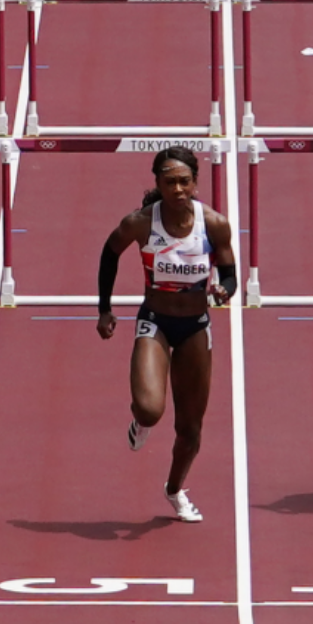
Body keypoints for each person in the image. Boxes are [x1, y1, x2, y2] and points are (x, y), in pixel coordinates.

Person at [96, 146, 237, 523]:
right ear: (158, 182)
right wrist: (104, 309)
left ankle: (175, 491)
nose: (178, 189)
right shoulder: (140, 223)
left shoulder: (215, 224)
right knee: (150, 409)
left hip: (196, 327)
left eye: (184, 182)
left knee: (190, 429)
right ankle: (139, 423)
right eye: (170, 182)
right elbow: (109, 254)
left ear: (195, 183)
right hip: (155, 321)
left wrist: (224, 290)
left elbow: (230, 274)